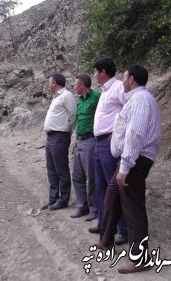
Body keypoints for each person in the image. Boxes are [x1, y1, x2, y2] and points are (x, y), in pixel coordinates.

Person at [96, 64, 160, 273]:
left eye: (124, 78)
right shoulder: (136, 100)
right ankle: (106, 240)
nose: (122, 81)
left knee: (133, 210)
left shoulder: (140, 100)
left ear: (131, 79)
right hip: (130, 159)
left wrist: (124, 167)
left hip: (134, 161)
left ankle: (140, 259)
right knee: (112, 196)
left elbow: (135, 134)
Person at [88, 58, 128, 245]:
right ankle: (105, 225)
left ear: (103, 71)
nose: (94, 75)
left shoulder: (119, 87)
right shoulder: (105, 90)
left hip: (109, 144)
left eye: (96, 71)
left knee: (114, 188)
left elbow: (130, 108)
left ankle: (123, 229)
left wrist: (119, 130)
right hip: (99, 143)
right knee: (101, 186)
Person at [42, 73, 77, 211]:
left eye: (50, 82)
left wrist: (68, 130)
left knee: (61, 169)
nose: (49, 85)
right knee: (51, 169)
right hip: (51, 137)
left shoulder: (66, 95)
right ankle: (53, 199)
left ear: (55, 83)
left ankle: (63, 199)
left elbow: (73, 114)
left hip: (59, 136)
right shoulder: (57, 97)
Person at [70, 74, 100, 221]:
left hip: (90, 141)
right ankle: (82, 206)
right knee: (77, 176)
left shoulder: (97, 97)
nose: (74, 87)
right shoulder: (79, 101)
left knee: (92, 177)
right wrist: (75, 141)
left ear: (82, 85)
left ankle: (95, 209)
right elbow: (80, 122)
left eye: (76, 84)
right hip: (79, 142)